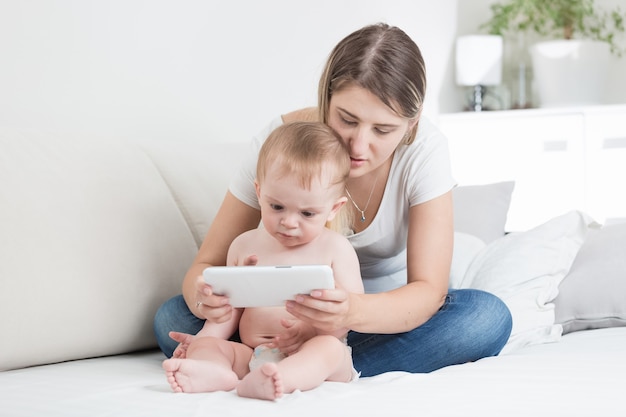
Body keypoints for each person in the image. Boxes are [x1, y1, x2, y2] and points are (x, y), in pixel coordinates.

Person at [154, 22, 512, 377]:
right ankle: (303, 365)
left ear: (412, 123)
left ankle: (278, 362)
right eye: (347, 119)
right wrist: (209, 300)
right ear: (325, 98)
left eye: (382, 130)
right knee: (172, 316)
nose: (358, 146)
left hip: (382, 317)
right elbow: (206, 267)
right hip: (280, 317)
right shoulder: (280, 143)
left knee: (485, 317)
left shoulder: (424, 152)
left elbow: (428, 291)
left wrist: (349, 312)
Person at [162, 122, 364, 400]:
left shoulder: (336, 249)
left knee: (328, 349)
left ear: (333, 209)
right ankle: (213, 371)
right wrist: (205, 338)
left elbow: (349, 315)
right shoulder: (244, 245)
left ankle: (283, 378)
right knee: (207, 344)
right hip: (251, 353)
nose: (289, 222)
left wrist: (309, 328)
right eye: (277, 206)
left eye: (307, 213)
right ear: (259, 193)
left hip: (310, 350)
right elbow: (230, 312)